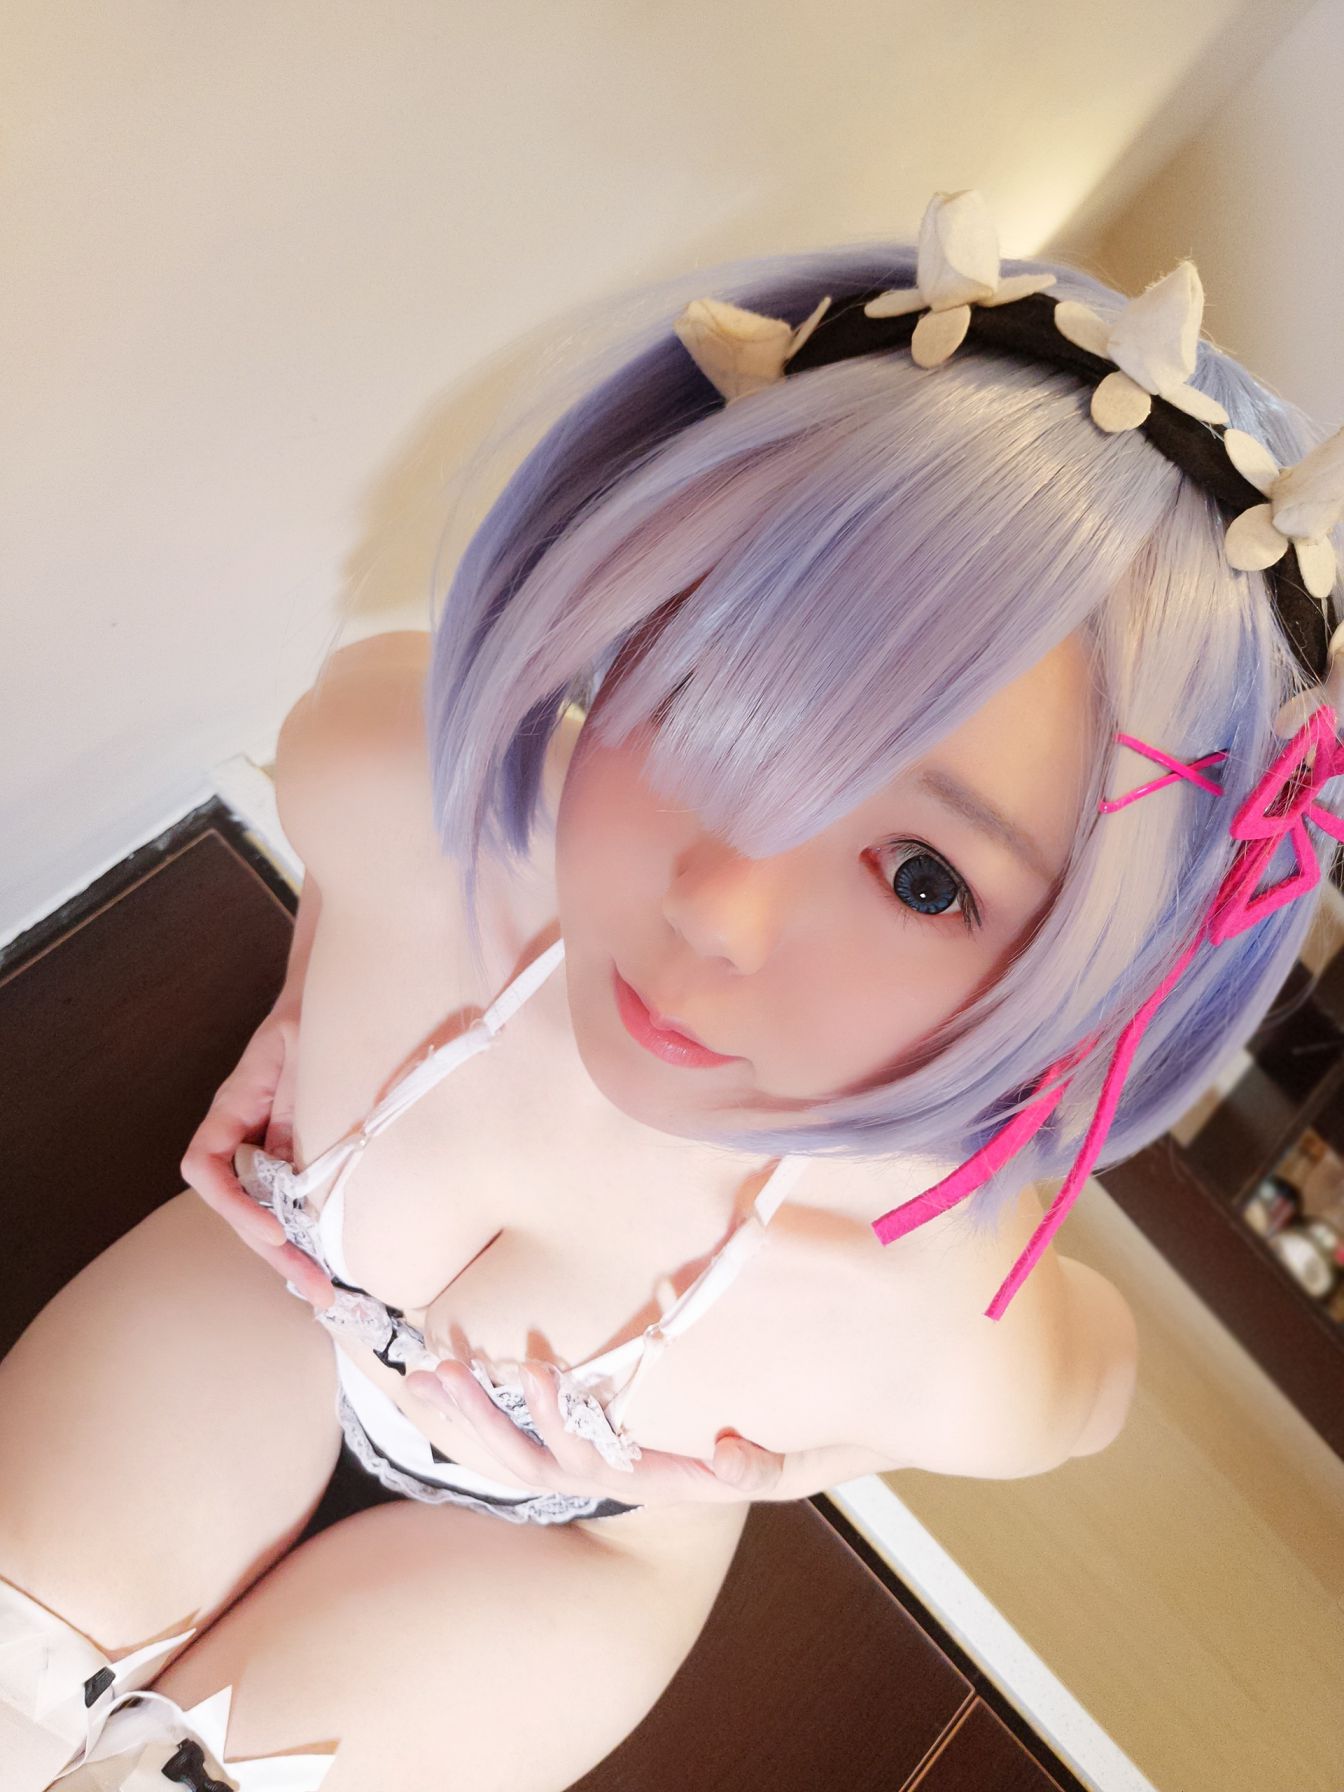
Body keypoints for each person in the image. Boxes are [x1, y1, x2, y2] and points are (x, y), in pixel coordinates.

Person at [2, 187, 1340, 1791]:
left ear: (1104, 972)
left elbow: (1090, 1388)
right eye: (713, 690)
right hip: (282, 1284)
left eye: (924, 877)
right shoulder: (397, 794)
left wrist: (812, 1456)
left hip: (572, 1541)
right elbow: (360, 753)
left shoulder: (929, 1309)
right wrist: (302, 1006)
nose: (719, 903)